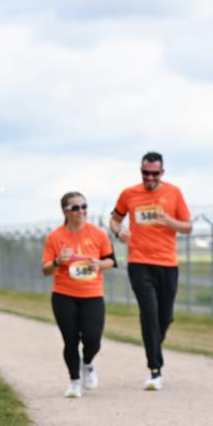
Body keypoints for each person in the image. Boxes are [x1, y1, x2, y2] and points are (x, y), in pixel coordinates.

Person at [109, 152, 192, 391]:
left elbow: (188, 227)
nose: (150, 177)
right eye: (146, 173)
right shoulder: (129, 194)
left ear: (162, 173)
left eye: (155, 173)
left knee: (165, 317)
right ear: (141, 171)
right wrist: (119, 232)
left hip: (167, 263)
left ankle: (154, 343)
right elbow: (115, 219)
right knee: (149, 313)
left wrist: (170, 222)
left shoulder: (174, 193)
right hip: (139, 262)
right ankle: (155, 370)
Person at [42, 192, 116, 398]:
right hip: (64, 294)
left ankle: (88, 363)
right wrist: (58, 261)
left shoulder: (98, 234)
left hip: (92, 294)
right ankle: (74, 382)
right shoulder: (55, 237)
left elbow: (111, 261)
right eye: (75, 208)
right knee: (71, 340)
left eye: (84, 206)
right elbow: (46, 270)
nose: (81, 211)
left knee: (93, 339)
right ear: (65, 212)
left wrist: (98, 264)